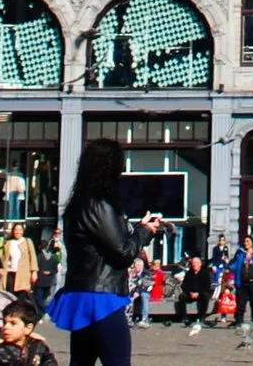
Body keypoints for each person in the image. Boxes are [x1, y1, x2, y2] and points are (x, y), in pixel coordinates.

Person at [53, 137, 163, 366]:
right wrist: (144, 233)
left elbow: (102, 243)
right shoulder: (99, 204)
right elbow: (122, 252)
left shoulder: (78, 204)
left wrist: (135, 229)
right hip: (101, 296)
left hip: (82, 292)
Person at [2, 224, 41, 297]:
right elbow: (4, 257)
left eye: (20, 230)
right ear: (13, 231)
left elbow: (33, 257)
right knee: (10, 296)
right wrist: (1, 268)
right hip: (10, 272)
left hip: (23, 273)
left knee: (21, 296)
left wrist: (34, 272)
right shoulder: (8, 242)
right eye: (16, 230)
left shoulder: (27, 241)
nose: (18, 232)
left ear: (23, 231)